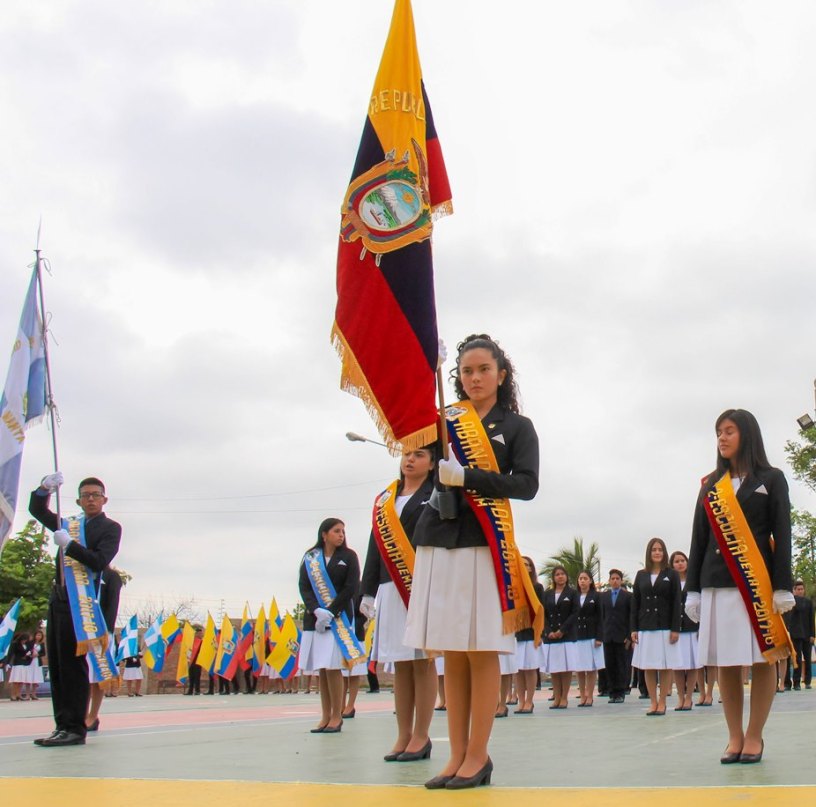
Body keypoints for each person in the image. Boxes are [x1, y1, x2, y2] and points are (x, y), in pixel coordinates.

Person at [405, 334, 541, 790]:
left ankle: (478, 754)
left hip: (485, 544)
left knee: (480, 650)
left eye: (484, 369)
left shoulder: (516, 427)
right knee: (453, 652)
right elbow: (412, 456)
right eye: (466, 371)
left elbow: (526, 484)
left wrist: (470, 476)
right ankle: (455, 753)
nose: (475, 378)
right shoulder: (444, 421)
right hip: (439, 539)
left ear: (502, 375)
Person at [686, 409, 795, 764]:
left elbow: (783, 534)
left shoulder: (772, 478)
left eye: (729, 430)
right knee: (726, 663)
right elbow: (698, 541)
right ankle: (734, 736)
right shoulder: (710, 485)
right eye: (718, 431)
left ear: (746, 434)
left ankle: (754, 736)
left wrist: (782, 586)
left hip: (756, 584)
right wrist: (693, 589)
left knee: (763, 660)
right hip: (718, 584)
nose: (722, 437)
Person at [29, 474, 121, 747]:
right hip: (59, 598)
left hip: (83, 603)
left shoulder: (110, 528)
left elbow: (99, 560)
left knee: (72, 667)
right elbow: (37, 510)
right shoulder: (69, 525)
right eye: (85, 495)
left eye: (95, 494)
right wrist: (44, 488)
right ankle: (62, 725)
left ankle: (75, 727)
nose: (90, 499)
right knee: (56, 666)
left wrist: (69, 546)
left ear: (104, 499)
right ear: (78, 500)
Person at [360, 446, 437, 761]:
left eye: (419, 454)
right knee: (401, 664)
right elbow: (375, 545)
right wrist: (367, 591)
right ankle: (403, 734)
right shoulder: (386, 499)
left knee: (422, 660)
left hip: (422, 582)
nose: (409, 459)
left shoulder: (435, 494)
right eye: (406, 454)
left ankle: (422, 735)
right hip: (391, 588)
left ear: (433, 464)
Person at [298, 517, 361, 734]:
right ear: (324, 534)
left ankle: (337, 715)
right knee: (322, 669)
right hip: (315, 621)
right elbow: (304, 586)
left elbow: (351, 587)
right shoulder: (310, 557)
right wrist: (316, 609)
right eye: (336, 530)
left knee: (334, 667)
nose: (341, 534)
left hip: (339, 620)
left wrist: (331, 612)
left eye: (343, 531)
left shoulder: (349, 556)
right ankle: (325, 715)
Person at [631, 537, 681, 716]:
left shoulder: (672, 574)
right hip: (645, 626)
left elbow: (677, 602)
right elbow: (635, 602)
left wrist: (676, 628)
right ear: (649, 553)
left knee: (665, 666)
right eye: (654, 549)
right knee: (648, 666)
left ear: (664, 552)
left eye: (660, 549)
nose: (657, 552)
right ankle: (653, 701)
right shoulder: (641, 575)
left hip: (666, 626)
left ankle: (663, 701)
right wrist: (633, 628)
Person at [86, 566, 123, 732]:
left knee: (98, 676)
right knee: (83, 676)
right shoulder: (81, 575)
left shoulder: (111, 576)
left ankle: (92, 716)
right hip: (83, 632)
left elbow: (112, 605)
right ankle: (80, 713)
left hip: (101, 632)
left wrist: (106, 631)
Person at [541, 565, 579, 709]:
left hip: (567, 636)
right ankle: (556, 697)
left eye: (562, 574)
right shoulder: (547, 594)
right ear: (553, 577)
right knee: (555, 669)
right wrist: (548, 631)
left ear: (567, 576)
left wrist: (562, 630)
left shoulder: (572, 593)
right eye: (557, 574)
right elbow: (543, 614)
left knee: (566, 667)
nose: (560, 576)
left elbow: (575, 613)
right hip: (551, 637)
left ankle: (564, 698)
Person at [669, 550, 701, 711]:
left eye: (682, 560)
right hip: (676, 628)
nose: (680, 563)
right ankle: (680, 697)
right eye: (676, 561)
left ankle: (689, 697)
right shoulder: (669, 582)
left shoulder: (694, 581)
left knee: (693, 663)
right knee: (678, 665)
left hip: (692, 626)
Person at [513, 556, 545, 714]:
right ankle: (520, 699)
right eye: (522, 564)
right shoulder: (514, 587)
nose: (524, 567)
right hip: (518, 631)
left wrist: (540, 633)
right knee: (518, 669)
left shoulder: (537, 587)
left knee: (530, 668)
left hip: (532, 632)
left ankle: (530, 700)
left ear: (531, 568)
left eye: (527, 565)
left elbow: (541, 611)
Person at [600, 569, 632, 703]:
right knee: (610, 665)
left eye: (617, 578)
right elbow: (601, 616)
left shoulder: (628, 596)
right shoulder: (604, 596)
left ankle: (620, 692)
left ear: (621, 581)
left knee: (621, 665)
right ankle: (612, 692)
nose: (615, 581)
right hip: (608, 635)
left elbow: (631, 616)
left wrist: (629, 635)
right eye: (612, 578)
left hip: (622, 636)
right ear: (609, 581)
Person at [574, 570, 604, 707]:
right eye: (580, 578)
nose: (582, 581)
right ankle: (582, 695)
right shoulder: (574, 596)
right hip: (577, 636)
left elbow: (601, 617)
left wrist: (599, 637)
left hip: (592, 635)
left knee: (591, 668)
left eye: (585, 578)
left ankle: (590, 695)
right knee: (580, 668)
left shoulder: (596, 596)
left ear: (590, 581)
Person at [784, 581, 814, 690]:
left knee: (807, 658)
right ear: (794, 590)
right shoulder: (791, 602)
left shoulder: (809, 602)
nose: (800, 591)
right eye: (798, 589)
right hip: (795, 634)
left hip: (807, 634)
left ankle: (807, 681)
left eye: (802, 589)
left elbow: (811, 619)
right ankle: (795, 683)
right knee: (796, 659)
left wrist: (812, 634)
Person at [8, 632, 33, 701]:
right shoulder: (15, 644)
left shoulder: (27, 645)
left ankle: (18, 694)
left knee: (21, 681)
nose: (24, 641)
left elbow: (29, 652)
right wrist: (7, 663)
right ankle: (13, 695)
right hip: (17, 664)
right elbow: (11, 653)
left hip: (24, 664)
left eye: (26, 640)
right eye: (23, 639)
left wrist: (28, 656)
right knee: (16, 680)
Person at [24, 629, 46, 701]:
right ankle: (27, 695)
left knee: (35, 679)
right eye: (37, 635)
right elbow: (26, 651)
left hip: (37, 662)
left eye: (40, 635)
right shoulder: (30, 643)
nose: (38, 636)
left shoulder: (42, 644)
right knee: (28, 678)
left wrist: (38, 654)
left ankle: (34, 694)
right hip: (30, 662)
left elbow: (43, 653)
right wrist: (30, 655)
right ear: (35, 635)